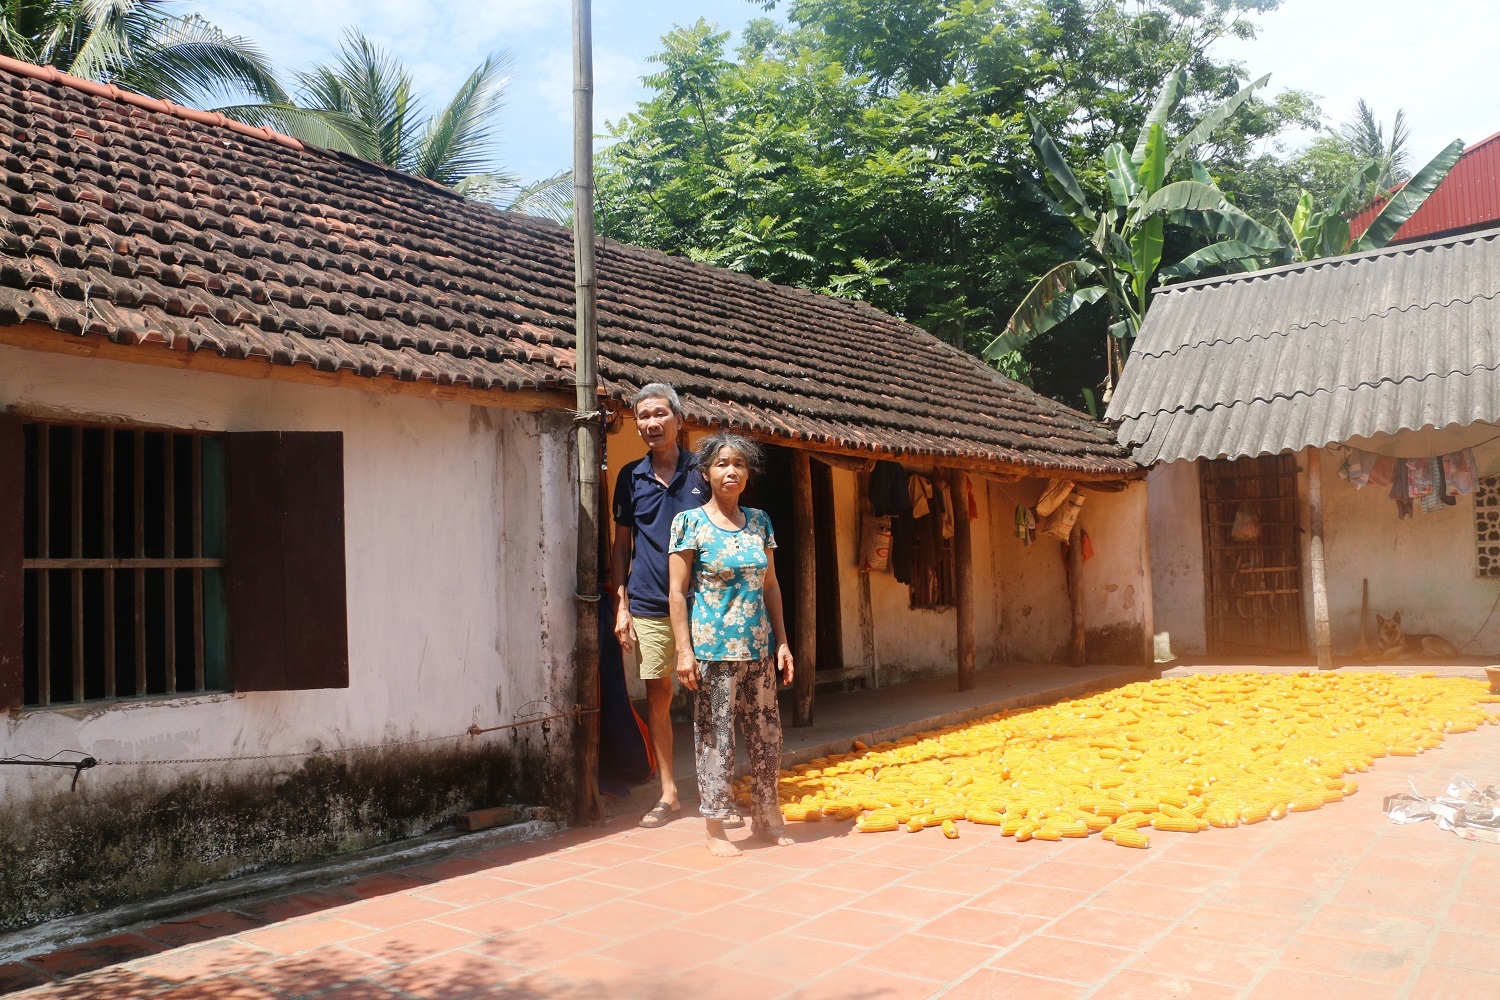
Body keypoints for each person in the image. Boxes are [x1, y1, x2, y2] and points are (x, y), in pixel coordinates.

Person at [668, 432, 796, 857]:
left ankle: (766, 817)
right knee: (715, 740)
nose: (731, 471)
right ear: (706, 472)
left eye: (739, 464)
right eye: (722, 463)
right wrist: (684, 651)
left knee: (766, 738)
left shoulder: (760, 521)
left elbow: (772, 586)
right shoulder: (688, 523)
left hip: (758, 649)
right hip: (712, 652)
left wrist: (782, 642)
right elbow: (676, 592)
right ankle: (715, 829)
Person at [611, 383, 709, 828]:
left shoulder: (703, 472)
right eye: (642, 417)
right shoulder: (630, 477)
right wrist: (621, 604)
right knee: (659, 693)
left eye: (659, 414)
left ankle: (714, 786)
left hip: (704, 600)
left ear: (679, 420)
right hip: (649, 600)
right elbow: (620, 546)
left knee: (711, 693)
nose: (651, 423)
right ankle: (669, 793)